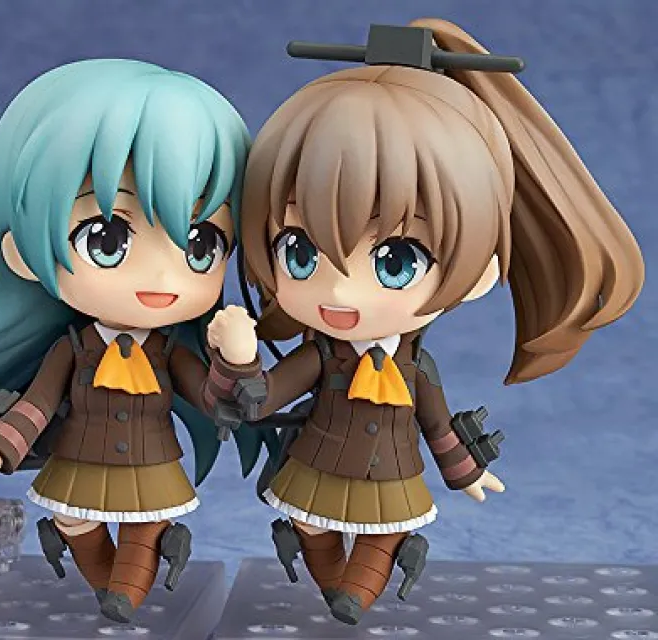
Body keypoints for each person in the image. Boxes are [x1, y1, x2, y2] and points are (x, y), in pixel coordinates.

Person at [205, 18, 644, 625]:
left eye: (394, 261)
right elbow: (260, 399)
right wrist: (238, 359)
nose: (340, 289)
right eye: (300, 251)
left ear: (482, 272)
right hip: (317, 466)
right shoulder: (322, 356)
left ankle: (359, 590)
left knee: (382, 535)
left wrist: (466, 473)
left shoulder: (417, 370)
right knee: (310, 526)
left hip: (392, 475)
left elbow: (437, 425)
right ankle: (333, 583)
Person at [0, 58, 270, 623]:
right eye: (107, 237)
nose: (164, 276)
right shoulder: (72, 351)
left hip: (152, 463)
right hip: (80, 460)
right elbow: (36, 405)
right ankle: (115, 580)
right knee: (76, 523)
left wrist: (238, 361)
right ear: (22, 252)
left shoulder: (169, 354)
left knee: (142, 527)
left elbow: (209, 397)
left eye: (201, 243)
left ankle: (128, 588)